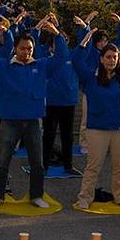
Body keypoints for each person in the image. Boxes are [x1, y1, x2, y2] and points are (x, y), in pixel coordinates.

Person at [0, 15, 68, 209]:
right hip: (10, 120)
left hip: (33, 120)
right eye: (22, 48)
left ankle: (36, 195)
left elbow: (62, 57)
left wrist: (57, 34)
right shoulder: (4, 66)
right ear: (15, 48)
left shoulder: (41, 65)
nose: (26, 51)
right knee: (3, 159)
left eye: (30, 48)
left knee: (37, 161)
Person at [72, 31, 120, 209]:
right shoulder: (91, 78)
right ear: (101, 59)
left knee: (119, 167)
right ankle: (85, 197)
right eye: (108, 57)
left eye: (115, 57)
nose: (111, 60)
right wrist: (85, 39)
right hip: (97, 129)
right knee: (93, 166)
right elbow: (77, 61)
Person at [41, 17, 84, 175]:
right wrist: (55, 32)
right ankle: (43, 165)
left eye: (65, 40)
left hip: (68, 102)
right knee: (49, 135)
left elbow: (84, 47)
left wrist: (85, 27)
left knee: (68, 136)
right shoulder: (48, 60)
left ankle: (68, 164)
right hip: (52, 102)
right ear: (52, 46)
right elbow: (60, 52)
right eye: (60, 41)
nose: (63, 43)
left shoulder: (71, 57)